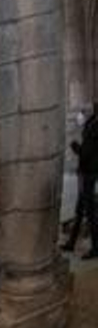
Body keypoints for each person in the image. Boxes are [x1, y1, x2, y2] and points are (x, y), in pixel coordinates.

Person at [65, 104, 98, 258]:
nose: (94, 104)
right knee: (79, 211)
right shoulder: (92, 120)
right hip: (86, 171)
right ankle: (71, 243)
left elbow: (87, 151)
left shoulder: (96, 124)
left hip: (89, 171)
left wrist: (75, 147)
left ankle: (96, 247)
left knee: (89, 213)